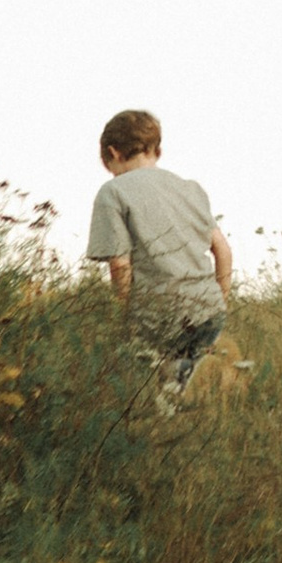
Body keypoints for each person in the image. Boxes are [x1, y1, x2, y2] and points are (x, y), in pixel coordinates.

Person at [86, 108, 235, 396]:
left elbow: (120, 264)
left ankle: (172, 399)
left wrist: (124, 317)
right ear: (158, 151)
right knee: (184, 387)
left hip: (158, 316)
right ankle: (194, 395)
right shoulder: (190, 189)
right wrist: (220, 301)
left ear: (113, 153)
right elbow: (223, 250)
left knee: (151, 392)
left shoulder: (113, 192)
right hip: (209, 311)